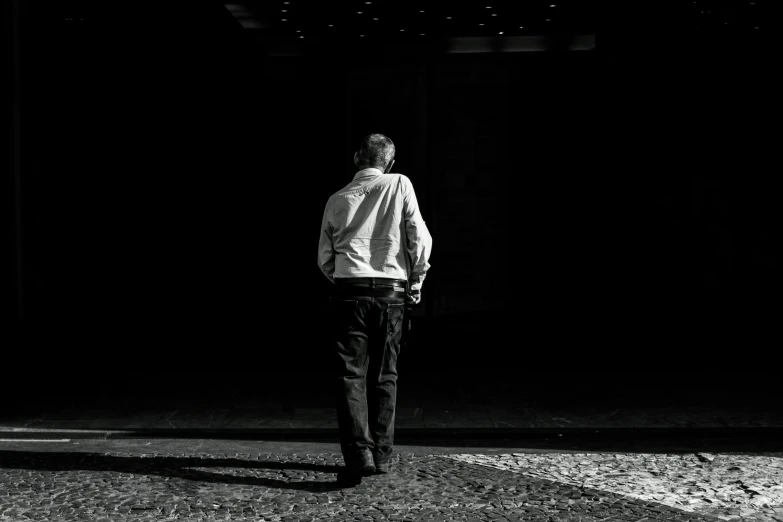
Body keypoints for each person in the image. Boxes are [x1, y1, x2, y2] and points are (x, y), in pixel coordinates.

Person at [317, 133, 433, 486]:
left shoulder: (336, 199)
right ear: (390, 162)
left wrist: (344, 281)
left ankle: (358, 454)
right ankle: (381, 454)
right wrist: (414, 286)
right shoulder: (399, 183)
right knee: (386, 373)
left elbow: (325, 259)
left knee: (350, 374)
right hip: (390, 293)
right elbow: (420, 241)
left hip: (349, 292)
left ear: (357, 158)